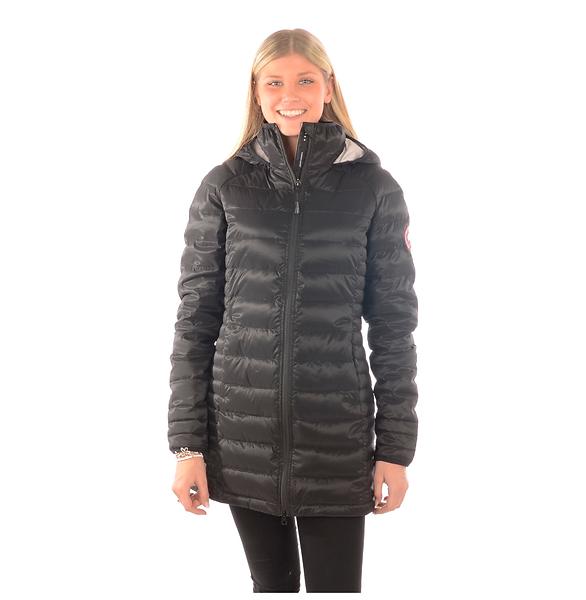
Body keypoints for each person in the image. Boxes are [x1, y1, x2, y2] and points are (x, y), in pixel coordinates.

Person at [167, 28, 418, 593]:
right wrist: (188, 446)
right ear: (256, 93)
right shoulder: (224, 186)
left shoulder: (375, 188)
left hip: (336, 438)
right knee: (271, 587)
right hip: (241, 436)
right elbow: (195, 321)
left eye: (305, 80)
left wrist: (395, 450)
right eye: (274, 83)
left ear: (328, 86)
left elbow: (394, 327)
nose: (290, 95)